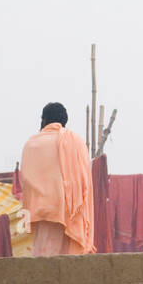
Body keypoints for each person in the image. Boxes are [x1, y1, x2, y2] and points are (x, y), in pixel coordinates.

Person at [19, 102, 94, 256]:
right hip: (69, 212)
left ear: (44, 120)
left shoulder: (31, 144)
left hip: (38, 210)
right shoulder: (76, 142)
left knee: (42, 255)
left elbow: (25, 181)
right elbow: (85, 182)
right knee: (68, 259)